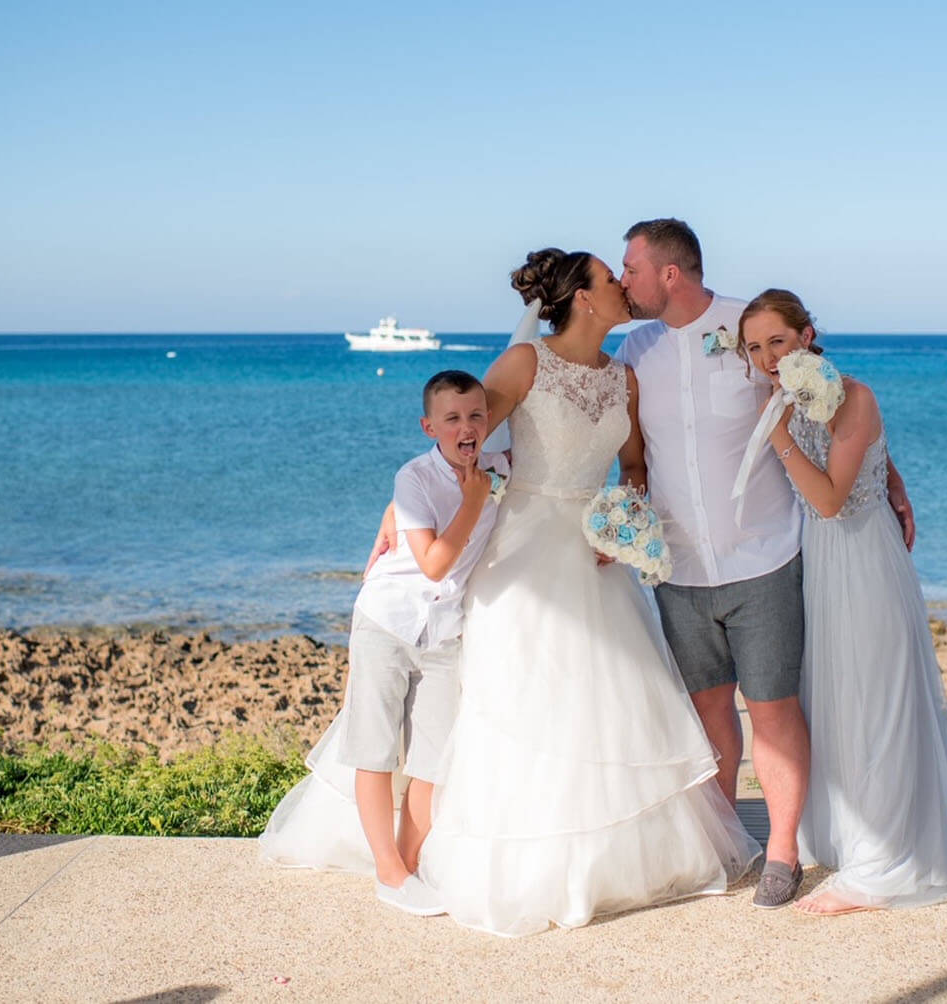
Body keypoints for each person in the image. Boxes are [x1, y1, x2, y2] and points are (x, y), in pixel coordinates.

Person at [412, 248, 761, 936]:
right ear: (581, 299)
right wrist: (410, 515)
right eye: (611, 280)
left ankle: (618, 861)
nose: (623, 288)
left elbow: (633, 467)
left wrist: (623, 520)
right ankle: (533, 867)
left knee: (610, 697)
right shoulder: (524, 364)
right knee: (531, 697)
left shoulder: (625, 377)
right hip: (525, 553)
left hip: (598, 552)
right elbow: (464, 440)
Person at [614, 219, 915, 907]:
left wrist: (887, 472)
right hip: (679, 570)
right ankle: (724, 849)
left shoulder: (750, 328)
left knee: (774, 710)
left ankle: (782, 851)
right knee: (708, 713)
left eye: (631, 266)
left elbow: (831, 401)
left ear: (670, 272)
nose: (623, 278)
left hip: (766, 558)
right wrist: (622, 524)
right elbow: (633, 459)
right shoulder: (635, 350)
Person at [738, 289, 947, 914]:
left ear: (807, 336)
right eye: (753, 347)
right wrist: (893, 475)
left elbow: (832, 499)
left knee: (877, 702)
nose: (765, 357)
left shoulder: (854, 397)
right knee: (835, 699)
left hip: (863, 561)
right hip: (820, 564)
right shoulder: (785, 398)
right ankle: (850, 837)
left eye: (777, 342)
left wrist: (779, 435)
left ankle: (881, 865)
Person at [259, 370, 509, 916]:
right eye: (452, 419)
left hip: (444, 632)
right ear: (429, 427)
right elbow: (435, 563)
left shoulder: (500, 468)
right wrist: (473, 500)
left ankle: (407, 865)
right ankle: (388, 874)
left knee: (432, 760)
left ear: (490, 420)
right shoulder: (415, 479)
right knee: (373, 750)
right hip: (388, 622)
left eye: (475, 416)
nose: (466, 427)